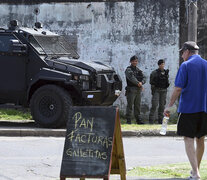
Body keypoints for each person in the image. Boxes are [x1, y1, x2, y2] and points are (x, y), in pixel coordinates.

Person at [164, 41, 207, 180]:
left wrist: (169, 105)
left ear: (187, 51)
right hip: (204, 109)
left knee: (188, 138)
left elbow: (178, 88)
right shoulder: (206, 64)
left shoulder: (186, 65)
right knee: (200, 139)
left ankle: (195, 173)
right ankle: (196, 170)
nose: (182, 56)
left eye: (182, 53)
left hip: (189, 108)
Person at [125, 55, 146, 124]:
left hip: (138, 90)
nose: (135, 62)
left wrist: (141, 83)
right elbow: (131, 78)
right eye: (133, 61)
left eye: (136, 61)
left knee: (137, 105)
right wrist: (138, 83)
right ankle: (128, 120)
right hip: (131, 90)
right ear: (131, 61)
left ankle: (138, 120)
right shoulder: (128, 70)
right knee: (130, 105)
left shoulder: (138, 70)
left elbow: (144, 77)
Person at [149, 59, 169, 124]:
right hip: (157, 90)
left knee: (162, 106)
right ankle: (151, 121)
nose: (162, 65)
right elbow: (151, 82)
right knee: (154, 105)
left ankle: (160, 121)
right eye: (161, 64)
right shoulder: (154, 72)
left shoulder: (166, 72)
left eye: (163, 64)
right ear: (159, 65)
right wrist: (153, 90)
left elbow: (167, 81)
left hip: (163, 90)